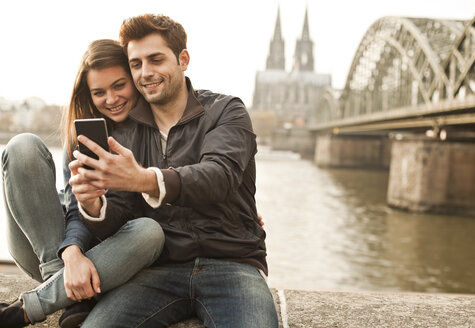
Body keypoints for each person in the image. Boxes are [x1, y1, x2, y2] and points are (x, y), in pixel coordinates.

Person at [70, 14, 278, 327]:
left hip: (233, 265)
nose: (146, 73)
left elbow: (219, 176)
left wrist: (144, 178)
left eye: (156, 59)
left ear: (183, 60)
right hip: (158, 270)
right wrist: (92, 203)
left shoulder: (225, 111)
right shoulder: (127, 132)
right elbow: (122, 217)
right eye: (136, 64)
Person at [0, 39, 165, 328]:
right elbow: (75, 208)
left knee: (150, 232)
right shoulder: (82, 134)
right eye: (99, 92)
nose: (111, 99)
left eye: (119, 86)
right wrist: (72, 254)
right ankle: (65, 287)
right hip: (54, 253)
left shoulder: (156, 133)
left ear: (135, 80)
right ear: (88, 94)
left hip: (116, 257)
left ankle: (31, 306)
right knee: (21, 146)